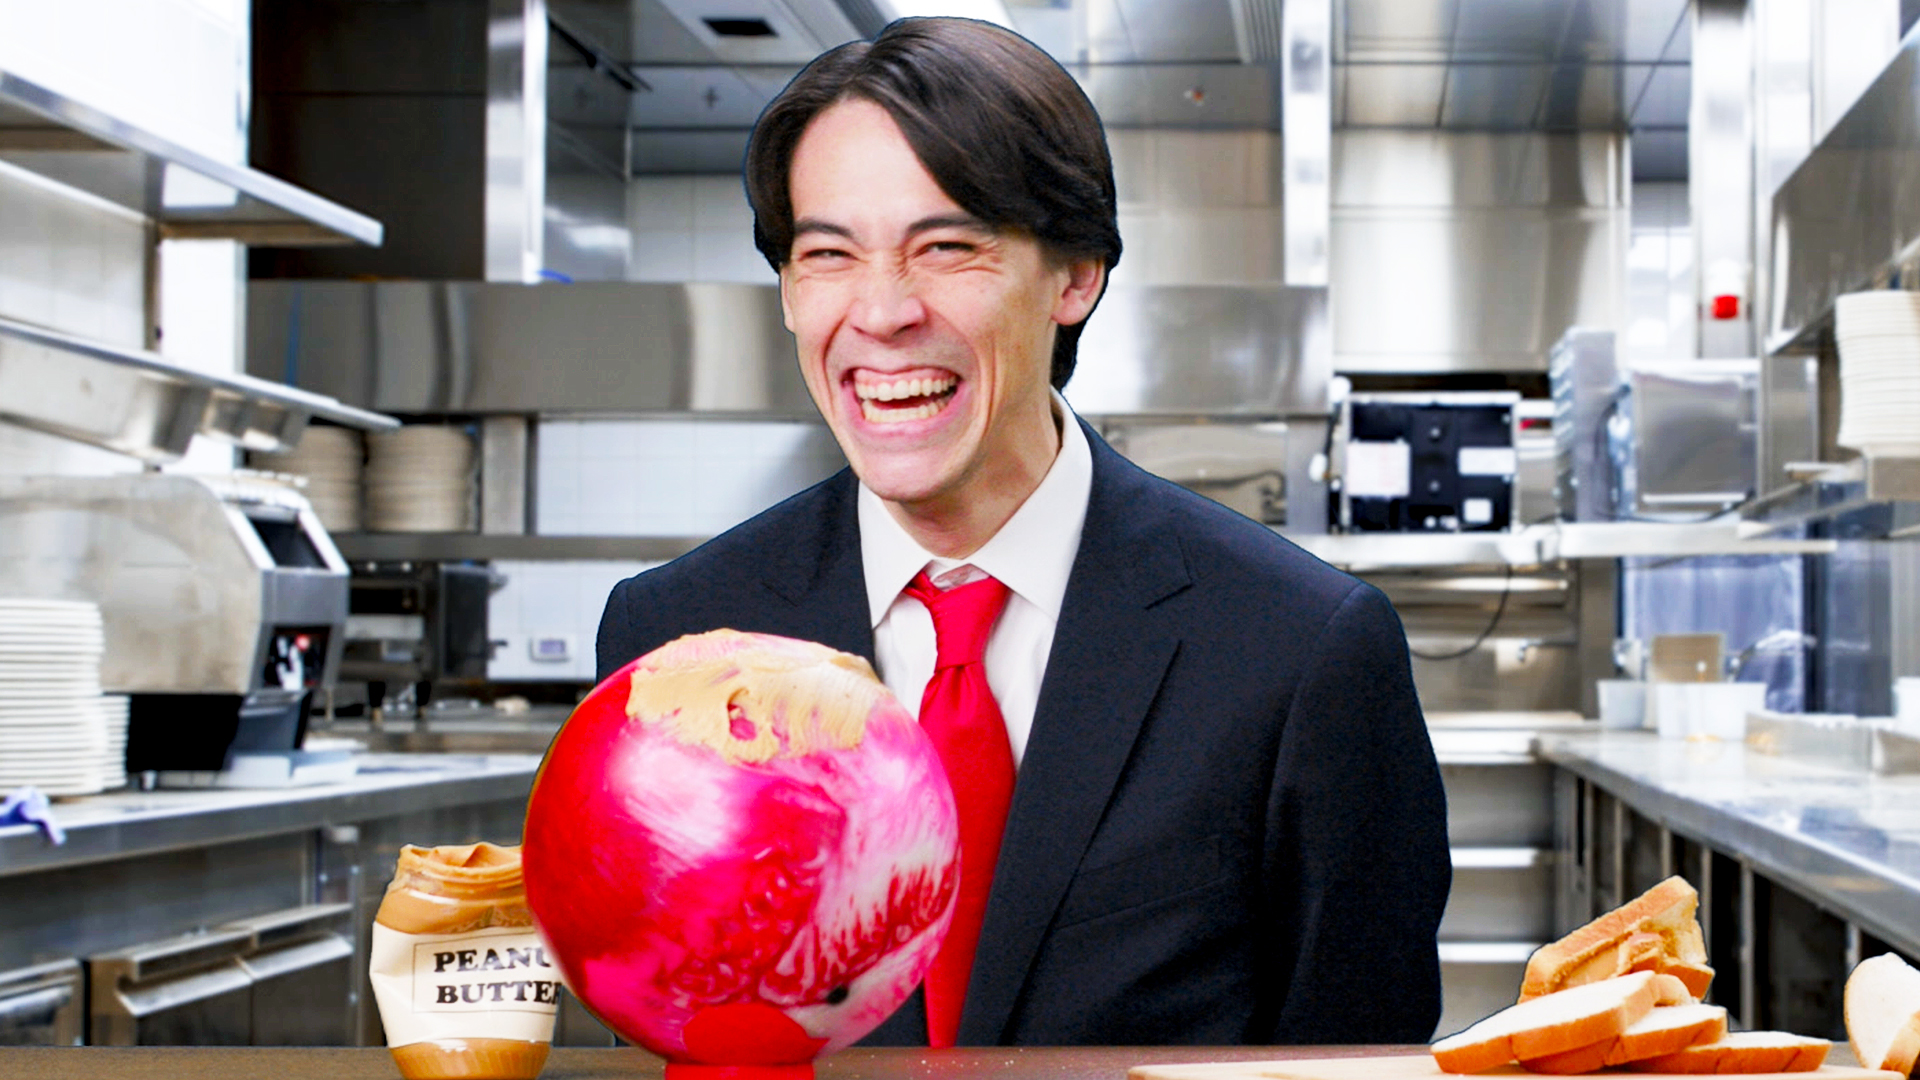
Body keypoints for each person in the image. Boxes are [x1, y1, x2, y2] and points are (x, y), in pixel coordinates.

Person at [596, 16, 1450, 1048]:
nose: (882, 310)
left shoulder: (1299, 648)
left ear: (1075, 276)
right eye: (827, 254)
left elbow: (1354, 1061)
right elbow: (658, 1034)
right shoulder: (679, 643)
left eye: (947, 247)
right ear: (788, 289)